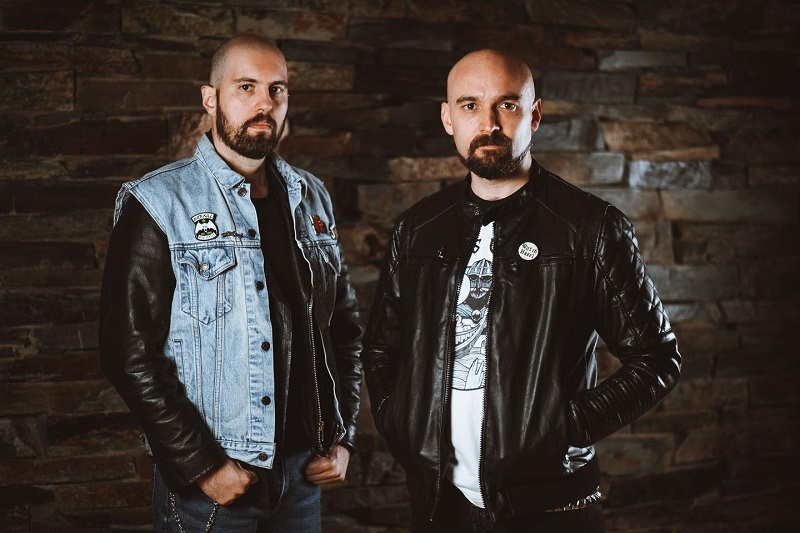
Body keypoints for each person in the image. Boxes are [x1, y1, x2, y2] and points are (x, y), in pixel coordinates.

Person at [361, 48, 681, 532]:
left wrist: (564, 428)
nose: (489, 123)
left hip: (551, 508)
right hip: (438, 506)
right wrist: (398, 419)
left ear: (534, 115)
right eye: (470, 105)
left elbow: (657, 358)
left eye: (507, 104)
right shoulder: (418, 229)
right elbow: (381, 346)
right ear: (448, 119)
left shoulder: (590, 228)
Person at [99, 34, 363, 532]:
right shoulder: (158, 202)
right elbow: (127, 350)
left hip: (303, 475)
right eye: (246, 87)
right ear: (210, 98)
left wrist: (343, 435)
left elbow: (344, 330)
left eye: (277, 89)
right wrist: (201, 465)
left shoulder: (311, 197)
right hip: (216, 484)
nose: (264, 103)